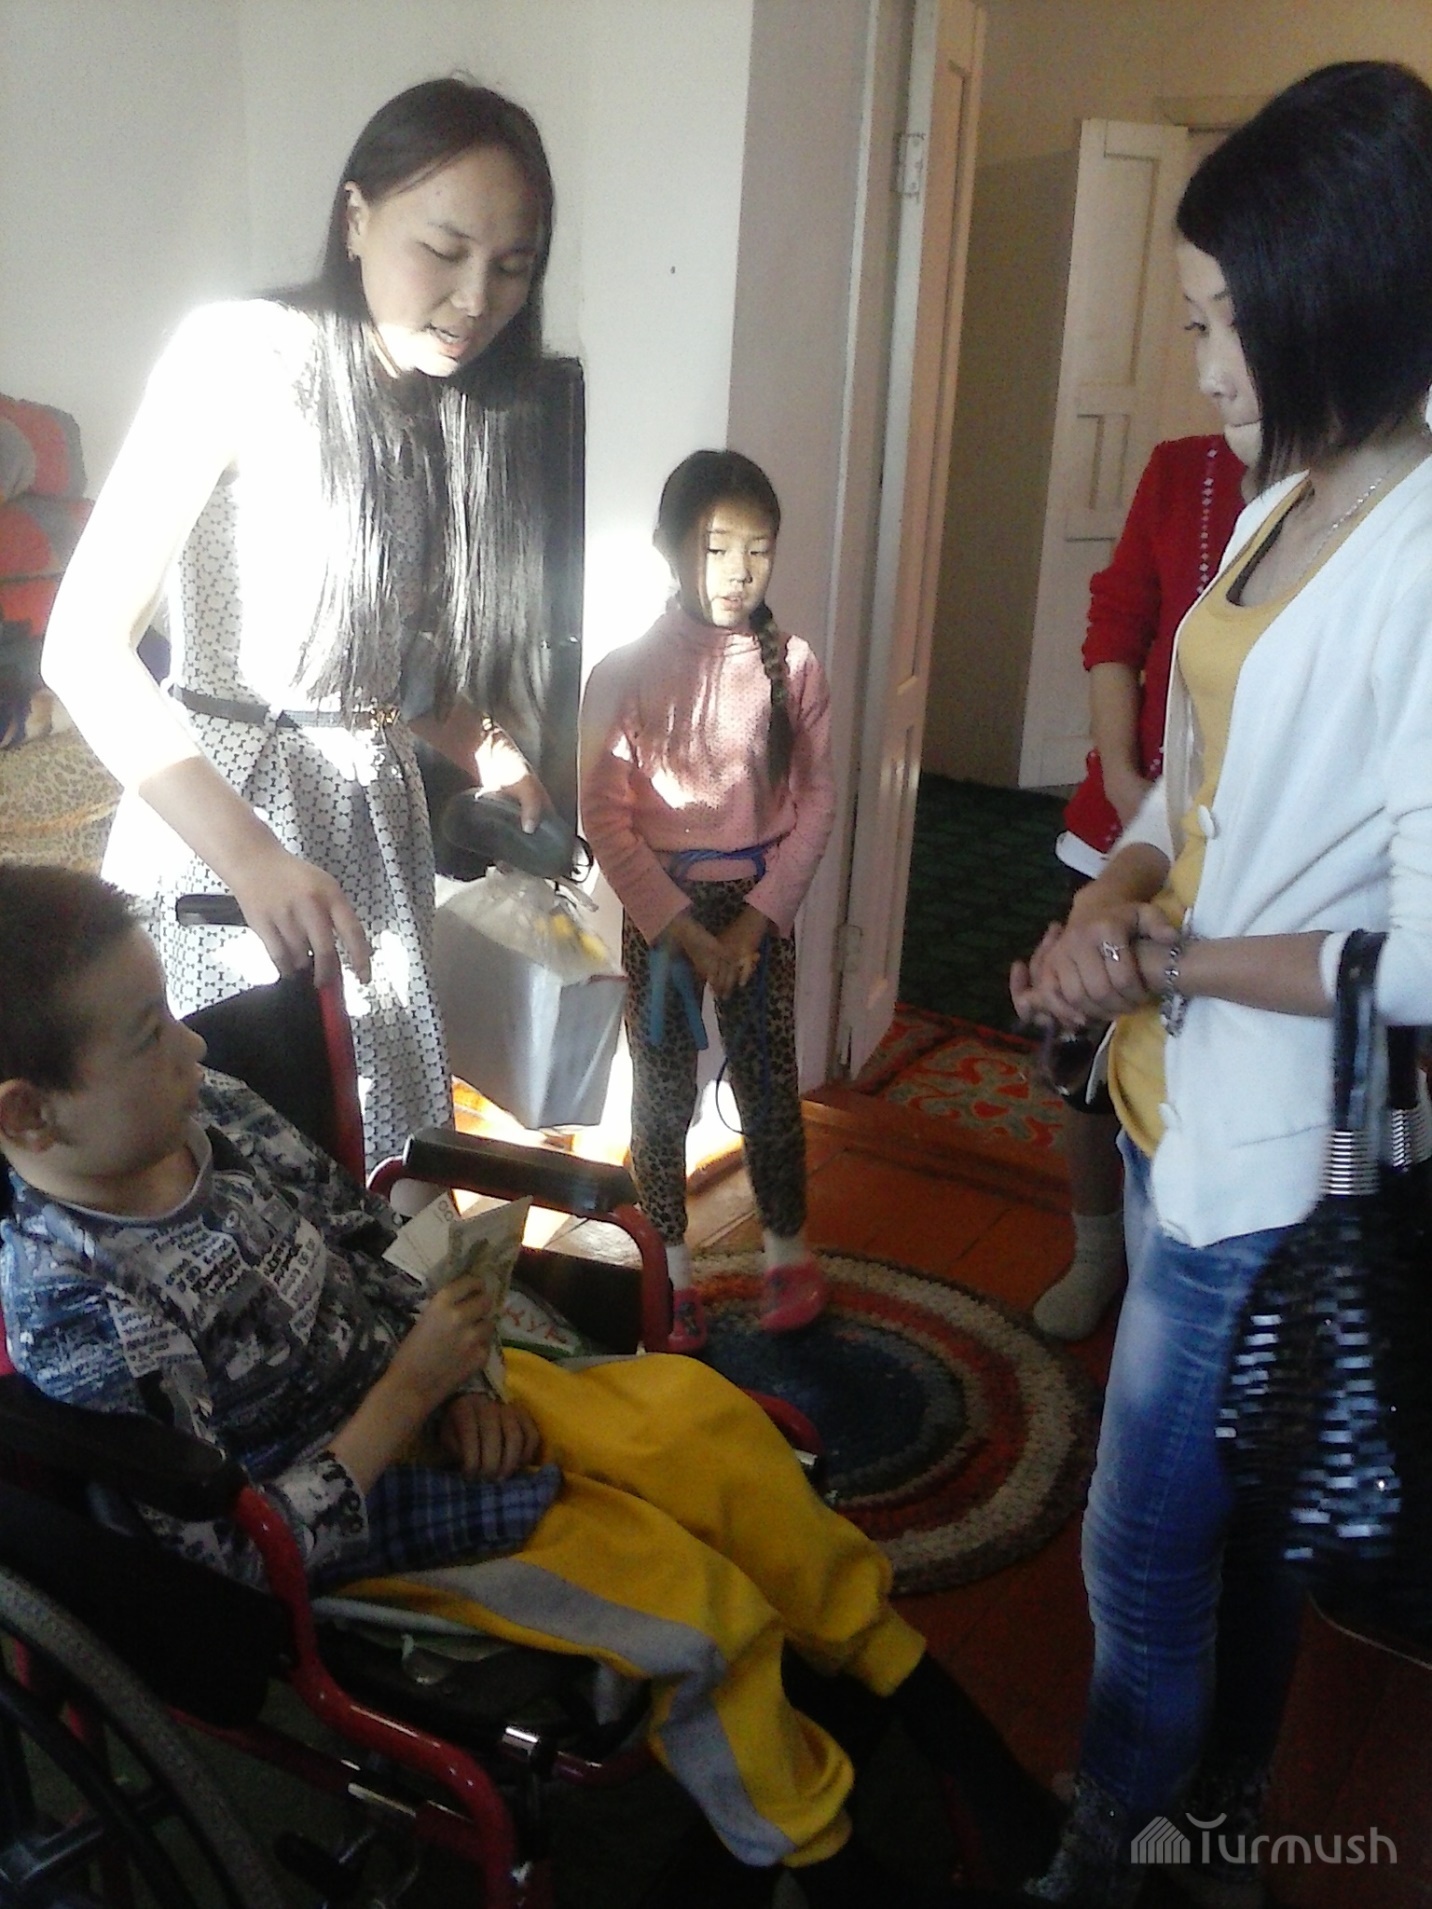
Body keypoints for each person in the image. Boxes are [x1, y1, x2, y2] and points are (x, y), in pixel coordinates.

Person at [0, 865, 1058, 1909]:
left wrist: (460, 1380)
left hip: (424, 1386)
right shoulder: (77, 1302)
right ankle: (830, 1862)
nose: (194, 1048)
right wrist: (409, 1397)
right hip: (349, 1517)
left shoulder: (213, 1113)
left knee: (706, 1427)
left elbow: (363, 1234)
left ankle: (921, 1695)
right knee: (685, 1601)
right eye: (149, 1034)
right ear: (29, 1114)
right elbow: (228, 1567)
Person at [1010, 61, 1432, 1907]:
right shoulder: (1291, 495)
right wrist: (1117, 885)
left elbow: (1423, 949)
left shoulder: (1422, 555)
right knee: (1247, 1530)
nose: (1197, 364)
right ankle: (1222, 1820)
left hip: (1260, 1159)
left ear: (1334, 294)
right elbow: (1197, 778)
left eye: (1215, 320)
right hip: (1171, 1089)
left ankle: (1116, 1833)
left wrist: (1167, 955)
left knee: (1137, 1547)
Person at [42, 78, 560, 1169]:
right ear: (356, 216)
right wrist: (252, 859)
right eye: (445, 249)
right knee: (249, 1160)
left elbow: (379, 657)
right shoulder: (242, 353)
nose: (477, 299)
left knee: (384, 1157)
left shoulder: (440, 399)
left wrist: (484, 744)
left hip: (373, 827)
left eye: (512, 267)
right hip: (232, 821)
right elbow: (82, 646)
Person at [579, 451, 838, 1352]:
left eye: (758, 550)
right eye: (715, 547)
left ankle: (787, 1253)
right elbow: (605, 818)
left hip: (761, 913)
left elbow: (816, 806)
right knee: (661, 1098)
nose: (738, 571)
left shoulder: (793, 666)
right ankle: (672, 1274)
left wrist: (759, 922)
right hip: (665, 921)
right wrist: (683, 930)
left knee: (769, 1083)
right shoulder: (622, 674)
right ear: (667, 547)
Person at [1036, 432, 1248, 1342]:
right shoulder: (1180, 471)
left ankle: (1176, 1259)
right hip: (1128, 825)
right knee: (1082, 1054)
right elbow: (1116, 631)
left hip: (1240, 853)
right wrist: (1126, 782)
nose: (1219, 375)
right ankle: (1096, 1251)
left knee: (1201, 1062)